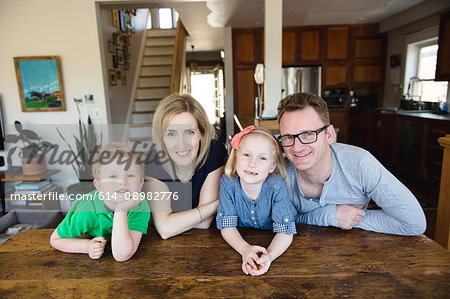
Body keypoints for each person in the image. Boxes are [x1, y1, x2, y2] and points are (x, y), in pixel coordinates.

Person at [277, 92, 426, 236]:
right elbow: (274, 221)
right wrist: (330, 216)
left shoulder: (360, 164)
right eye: (288, 137)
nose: (297, 147)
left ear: (329, 135)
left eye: (308, 134)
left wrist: (352, 219)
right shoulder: (280, 175)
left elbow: (414, 223)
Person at [217, 126, 297, 276]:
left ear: (272, 166)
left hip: (273, 236)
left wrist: (270, 256)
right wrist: (245, 249)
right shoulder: (228, 183)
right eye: (246, 154)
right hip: (244, 238)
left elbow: (285, 231)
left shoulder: (277, 185)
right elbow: (227, 225)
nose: (252, 163)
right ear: (235, 158)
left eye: (262, 158)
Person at [50, 142, 150, 261]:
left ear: (141, 183)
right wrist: (86, 247)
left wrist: (121, 209)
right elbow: (55, 239)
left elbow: (122, 254)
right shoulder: (85, 210)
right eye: (113, 176)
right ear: (99, 186)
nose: (123, 181)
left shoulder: (140, 206)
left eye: (130, 175)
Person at [145, 94, 227, 239]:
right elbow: (164, 228)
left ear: (202, 133)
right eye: (171, 134)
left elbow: (205, 223)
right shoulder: (154, 160)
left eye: (189, 132)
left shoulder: (214, 152)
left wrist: (174, 220)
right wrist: (215, 206)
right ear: (162, 138)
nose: (181, 144)